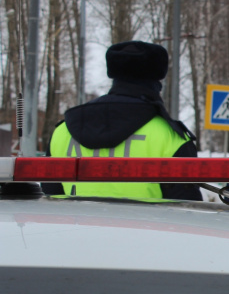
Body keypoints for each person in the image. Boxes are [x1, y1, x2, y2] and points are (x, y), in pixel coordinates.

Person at [43, 41, 201, 201]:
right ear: (157, 79)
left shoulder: (63, 131)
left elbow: (51, 197)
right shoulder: (171, 137)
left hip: (74, 225)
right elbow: (187, 207)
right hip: (147, 225)